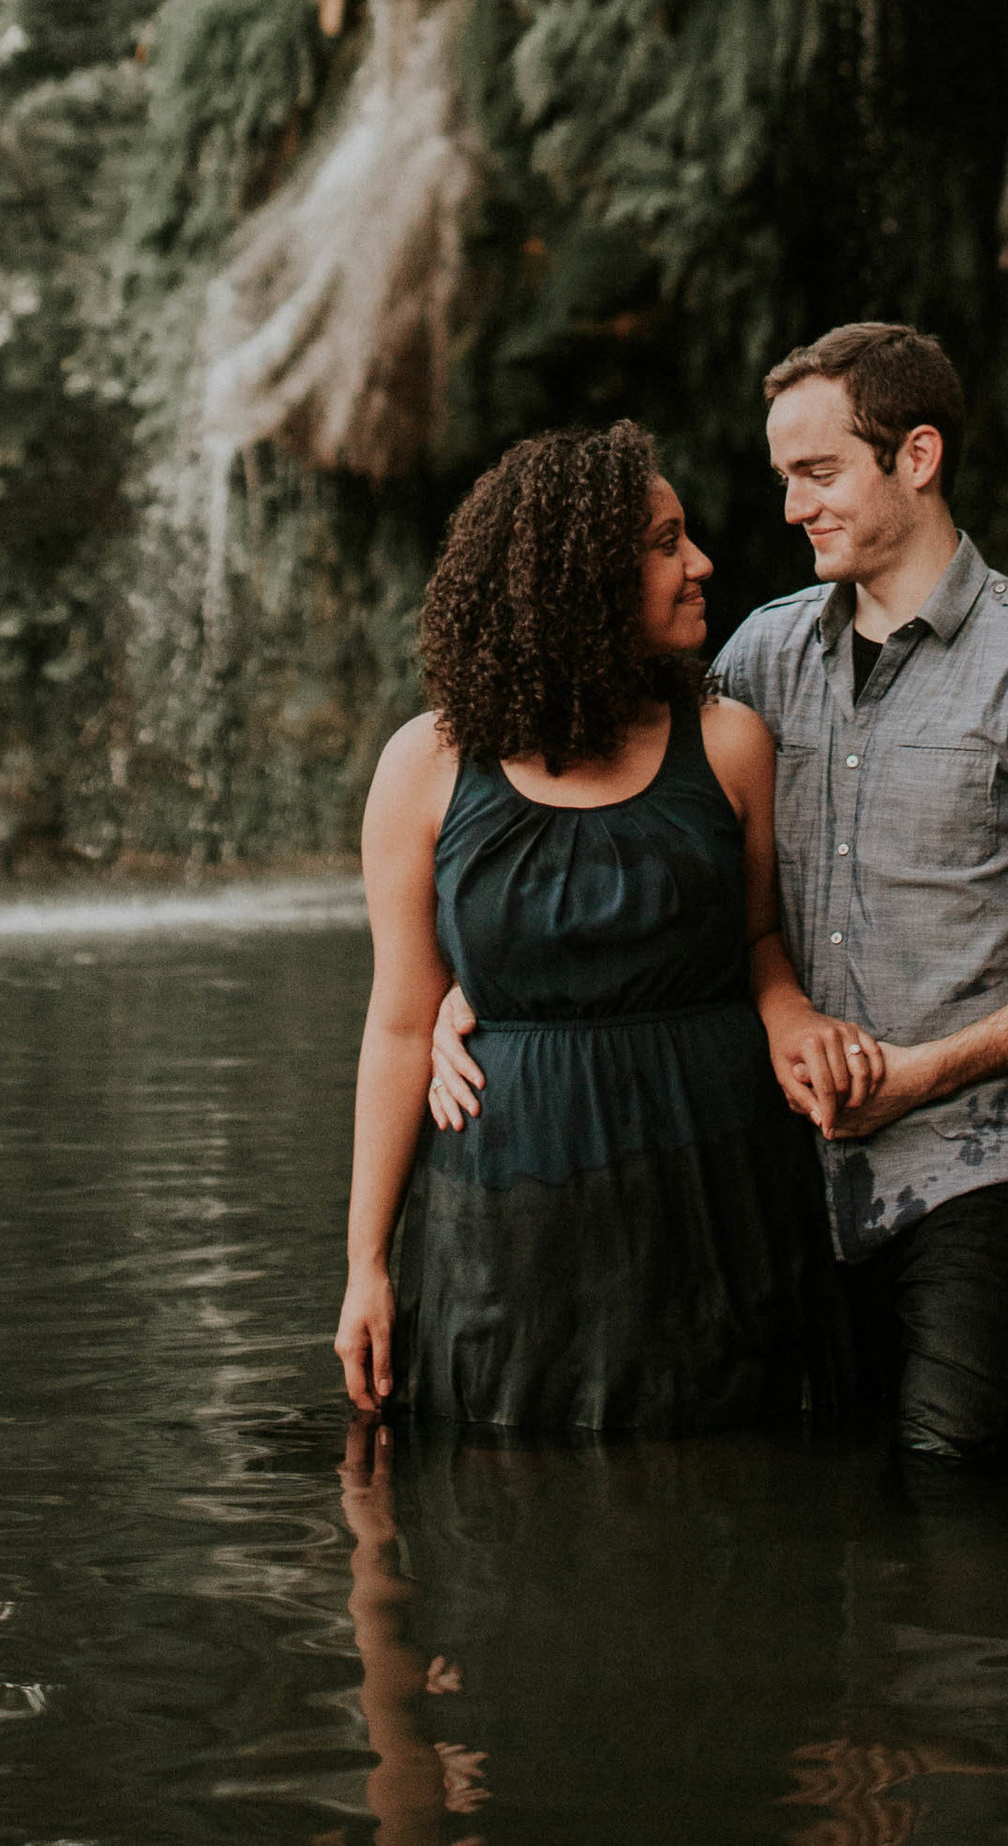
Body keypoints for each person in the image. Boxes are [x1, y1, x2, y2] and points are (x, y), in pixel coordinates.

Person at [431, 323, 1008, 1474]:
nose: (789, 507)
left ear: (919, 456)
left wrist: (927, 1074)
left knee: (953, 1489)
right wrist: (471, 983)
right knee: (814, 1492)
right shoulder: (756, 658)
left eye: (818, 471)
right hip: (775, 1175)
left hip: (979, 1169)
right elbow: (631, 845)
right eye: (781, 476)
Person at [335, 419, 878, 1438]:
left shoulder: (730, 742)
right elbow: (402, 1025)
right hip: (510, 1204)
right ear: (580, 578)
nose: (701, 562)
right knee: (510, 1500)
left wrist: (792, 1011)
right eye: (665, 542)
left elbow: (761, 943)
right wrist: (365, 1264)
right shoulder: (425, 765)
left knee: (739, 1484)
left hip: (718, 1190)